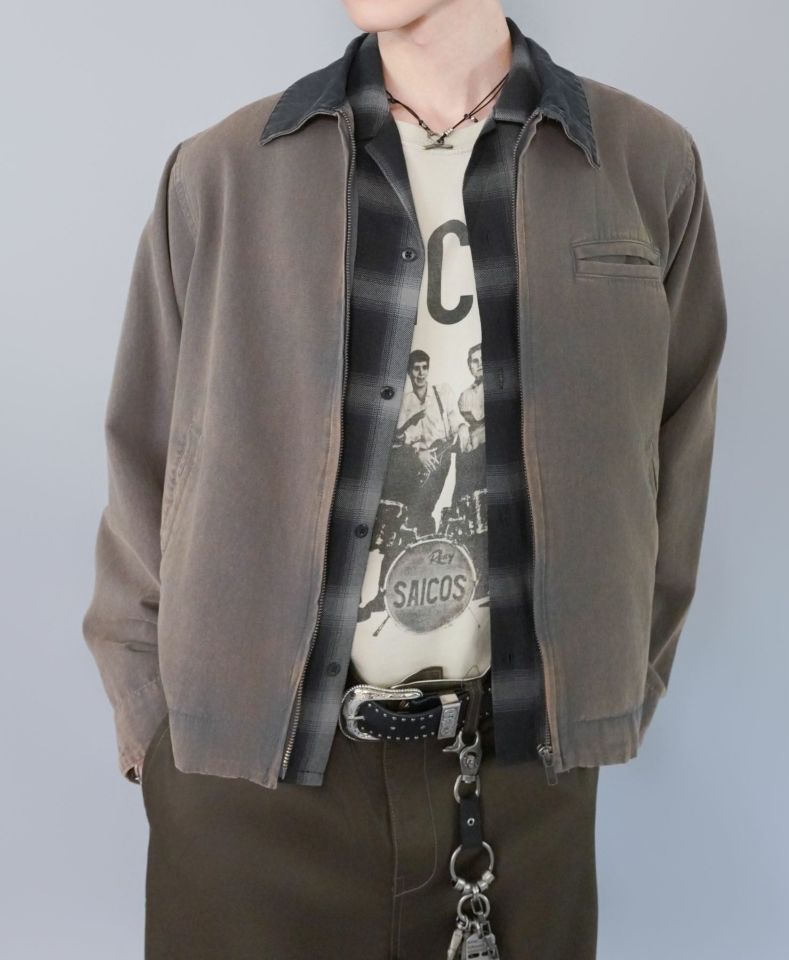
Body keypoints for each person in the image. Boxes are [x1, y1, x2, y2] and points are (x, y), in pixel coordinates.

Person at [82, 1, 727, 957]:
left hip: (522, 789)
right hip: (251, 793)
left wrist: (610, 693)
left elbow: (675, 450)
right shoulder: (222, 172)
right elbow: (147, 460)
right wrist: (157, 735)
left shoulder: (644, 164)